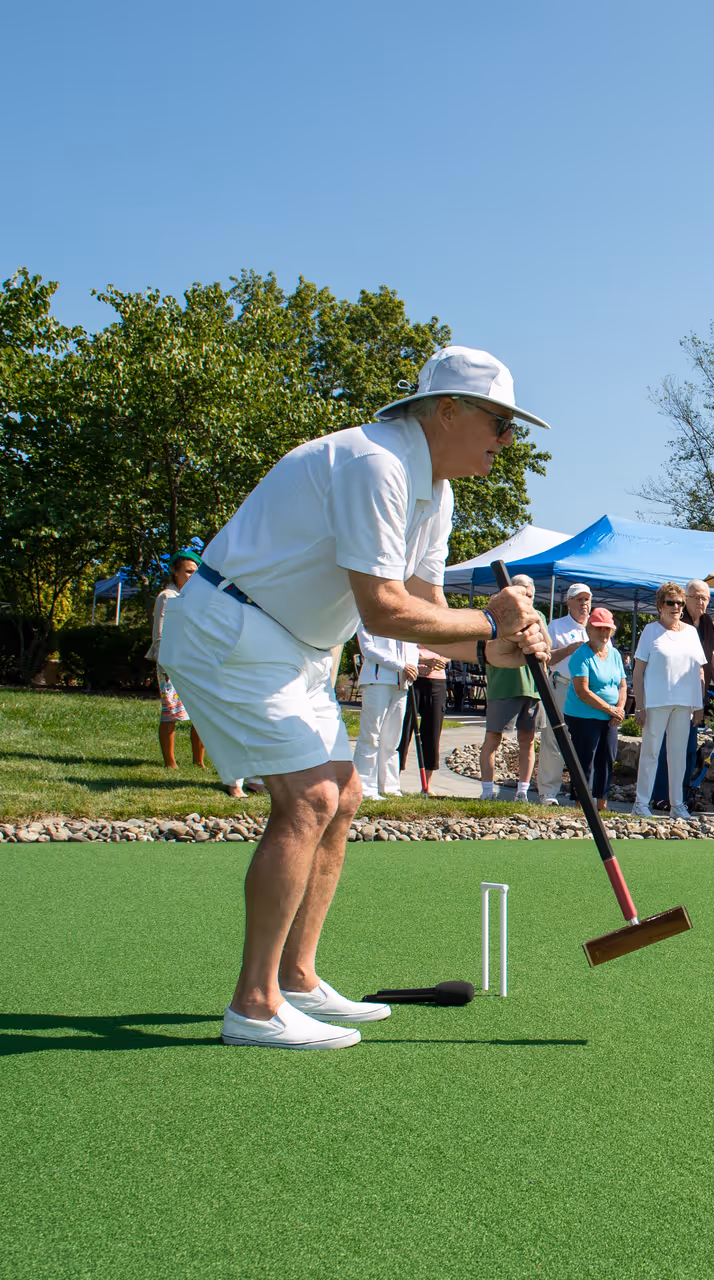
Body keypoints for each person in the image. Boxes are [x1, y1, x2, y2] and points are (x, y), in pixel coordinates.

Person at [156, 344, 551, 1050]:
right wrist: (492, 621)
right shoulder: (378, 465)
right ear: (448, 410)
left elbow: (430, 610)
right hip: (234, 625)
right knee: (308, 797)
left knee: (344, 795)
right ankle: (253, 1004)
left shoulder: (439, 491)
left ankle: (299, 978)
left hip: (297, 645)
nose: (506, 441)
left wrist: (504, 646)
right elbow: (385, 612)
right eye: (499, 422)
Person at [631, 582, 707, 821]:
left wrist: (699, 705)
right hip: (655, 702)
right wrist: (640, 706)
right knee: (651, 753)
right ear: (660, 605)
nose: (676, 607)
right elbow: (638, 671)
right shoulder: (650, 631)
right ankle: (641, 803)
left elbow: (699, 672)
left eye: (680, 603)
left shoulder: (691, 633)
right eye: (670, 603)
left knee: (678, 755)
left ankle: (677, 805)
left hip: (684, 703)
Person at [478, 578, 543, 803]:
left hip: (532, 689)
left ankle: (522, 792)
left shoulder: (538, 618)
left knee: (527, 741)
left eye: (531, 596)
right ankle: (487, 791)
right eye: (523, 594)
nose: (528, 600)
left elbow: (548, 647)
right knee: (493, 739)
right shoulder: (495, 615)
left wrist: (537, 622)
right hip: (502, 687)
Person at [148, 549, 208, 771]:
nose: (192, 576)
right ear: (175, 572)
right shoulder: (167, 597)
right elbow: (161, 633)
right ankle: (170, 762)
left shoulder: (195, 598)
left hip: (195, 663)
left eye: (195, 572)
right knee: (170, 712)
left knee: (200, 714)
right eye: (188, 572)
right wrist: (167, 660)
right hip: (171, 663)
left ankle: (198, 761)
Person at [563, 608, 626, 811]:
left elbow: (622, 685)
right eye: (599, 628)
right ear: (589, 629)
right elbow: (582, 691)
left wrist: (620, 708)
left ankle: (602, 803)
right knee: (585, 759)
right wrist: (610, 708)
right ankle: (581, 803)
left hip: (609, 716)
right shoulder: (581, 655)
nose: (603, 633)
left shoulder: (615, 654)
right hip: (583, 715)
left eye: (607, 629)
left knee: (607, 757)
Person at [536, 583, 593, 804]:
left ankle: (584, 793)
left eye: (586, 599)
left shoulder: (598, 625)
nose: (584, 604)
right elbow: (546, 658)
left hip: (589, 691)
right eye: (579, 600)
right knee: (554, 739)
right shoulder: (556, 626)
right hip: (563, 686)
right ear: (568, 602)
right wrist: (570, 649)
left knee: (586, 741)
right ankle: (548, 792)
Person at [352, 622, 416, 802]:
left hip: (402, 683)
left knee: (392, 738)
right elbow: (368, 649)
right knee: (371, 734)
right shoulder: (366, 618)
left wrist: (412, 667)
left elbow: (413, 647)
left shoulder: (404, 620)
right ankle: (364, 786)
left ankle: (389, 786)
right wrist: (400, 665)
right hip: (377, 681)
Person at [407, 644, 448, 796]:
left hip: (437, 680)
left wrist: (441, 660)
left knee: (432, 732)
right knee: (404, 729)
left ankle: (427, 786)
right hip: (412, 676)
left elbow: (452, 648)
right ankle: (393, 780)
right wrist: (422, 661)